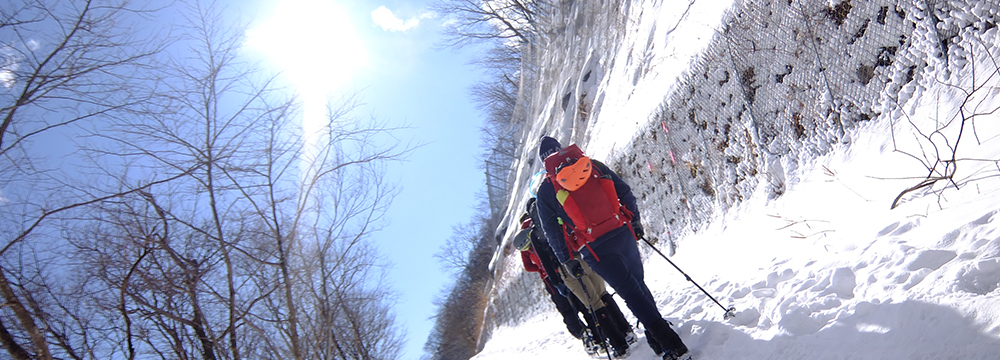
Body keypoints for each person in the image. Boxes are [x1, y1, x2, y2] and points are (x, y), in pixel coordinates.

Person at [534, 136, 691, 360]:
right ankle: (657, 339)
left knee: (630, 292)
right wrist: (635, 221)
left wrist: (567, 260)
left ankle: (673, 346)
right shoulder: (591, 164)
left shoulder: (545, 192)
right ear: (560, 149)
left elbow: (552, 232)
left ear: (543, 162)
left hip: (595, 248)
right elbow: (624, 191)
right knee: (637, 284)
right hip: (621, 231)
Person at [519, 198, 636, 357]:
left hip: (566, 268)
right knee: (603, 294)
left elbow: (546, 263)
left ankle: (619, 344)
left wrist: (556, 282)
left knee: (593, 304)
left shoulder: (534, 234)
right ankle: (626, 331)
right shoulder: (558, 215)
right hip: (582, 256)